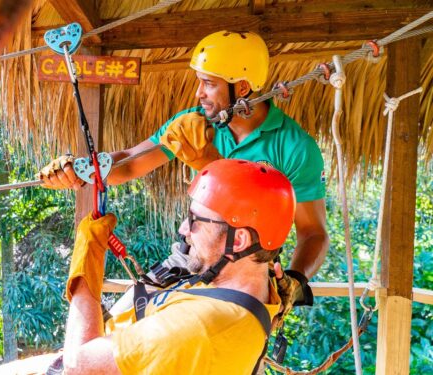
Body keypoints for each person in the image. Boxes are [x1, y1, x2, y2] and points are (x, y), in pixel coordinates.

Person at [38, 31, 329, 314]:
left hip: (248, 275)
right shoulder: (194, 126)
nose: (198, 93)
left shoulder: (295, 148)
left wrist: (295, 280)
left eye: (208, 84)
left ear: (241, 88)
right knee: (118, 320)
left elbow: (313, 233)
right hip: (190, 258)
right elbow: (129, 161)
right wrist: (83, 169)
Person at [55, 159, 296, 374]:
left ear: (239, 240)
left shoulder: (197, 325)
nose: (183, 229)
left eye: (195, 221)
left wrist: (86, 263)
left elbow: (77, 365)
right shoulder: (257, 287)